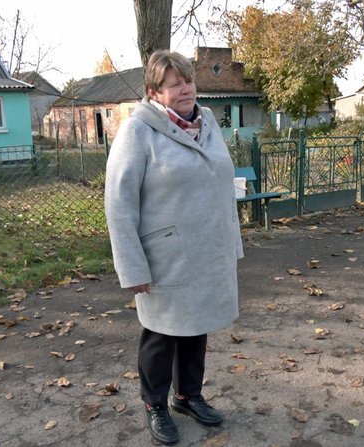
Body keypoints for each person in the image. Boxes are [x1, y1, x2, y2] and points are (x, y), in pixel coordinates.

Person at [104, 50, 244, 445]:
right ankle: (155, 405)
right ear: (154, 92)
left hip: (207, 249)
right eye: (175, 84)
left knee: (197, 326)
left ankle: (187, 396)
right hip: (165, 256)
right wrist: (131, 267)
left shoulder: (208, 123)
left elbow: (222, 188)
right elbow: (119, 203)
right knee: (162, 334)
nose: (186, 89)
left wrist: (231, 244)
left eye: (188, 81)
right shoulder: (137, 132)